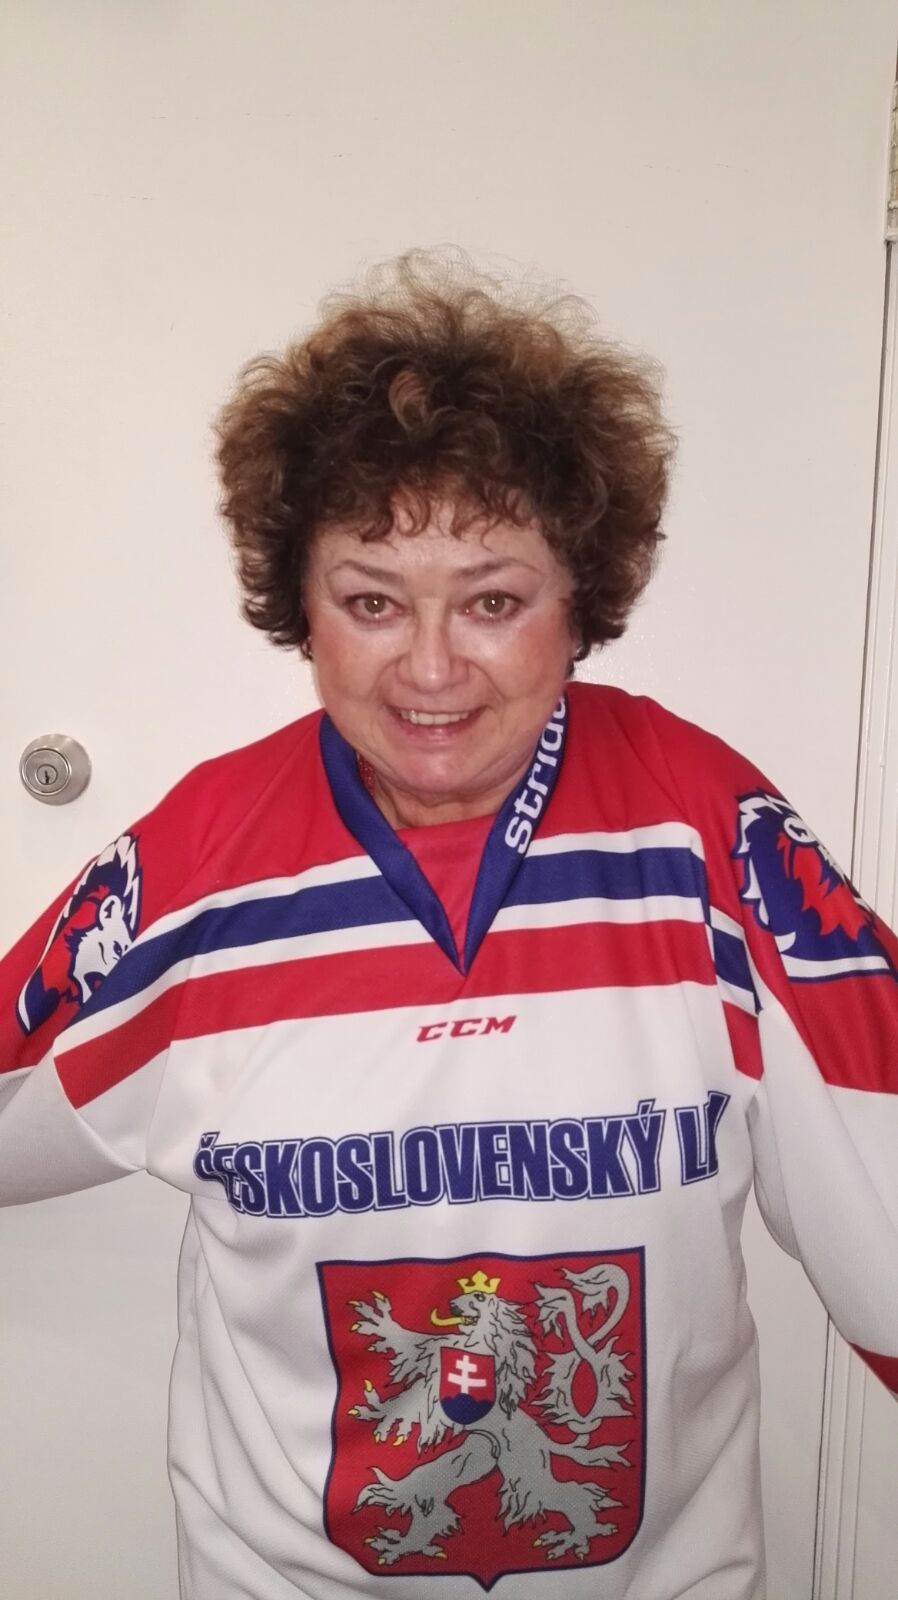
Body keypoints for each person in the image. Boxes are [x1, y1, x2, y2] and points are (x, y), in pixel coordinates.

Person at [1, 251, 896, 1600]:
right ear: (301, 608)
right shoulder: (201, 866)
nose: (429, 669)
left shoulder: (702, 838)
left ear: (578, 603)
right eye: (372, 601)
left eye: (492, 601)